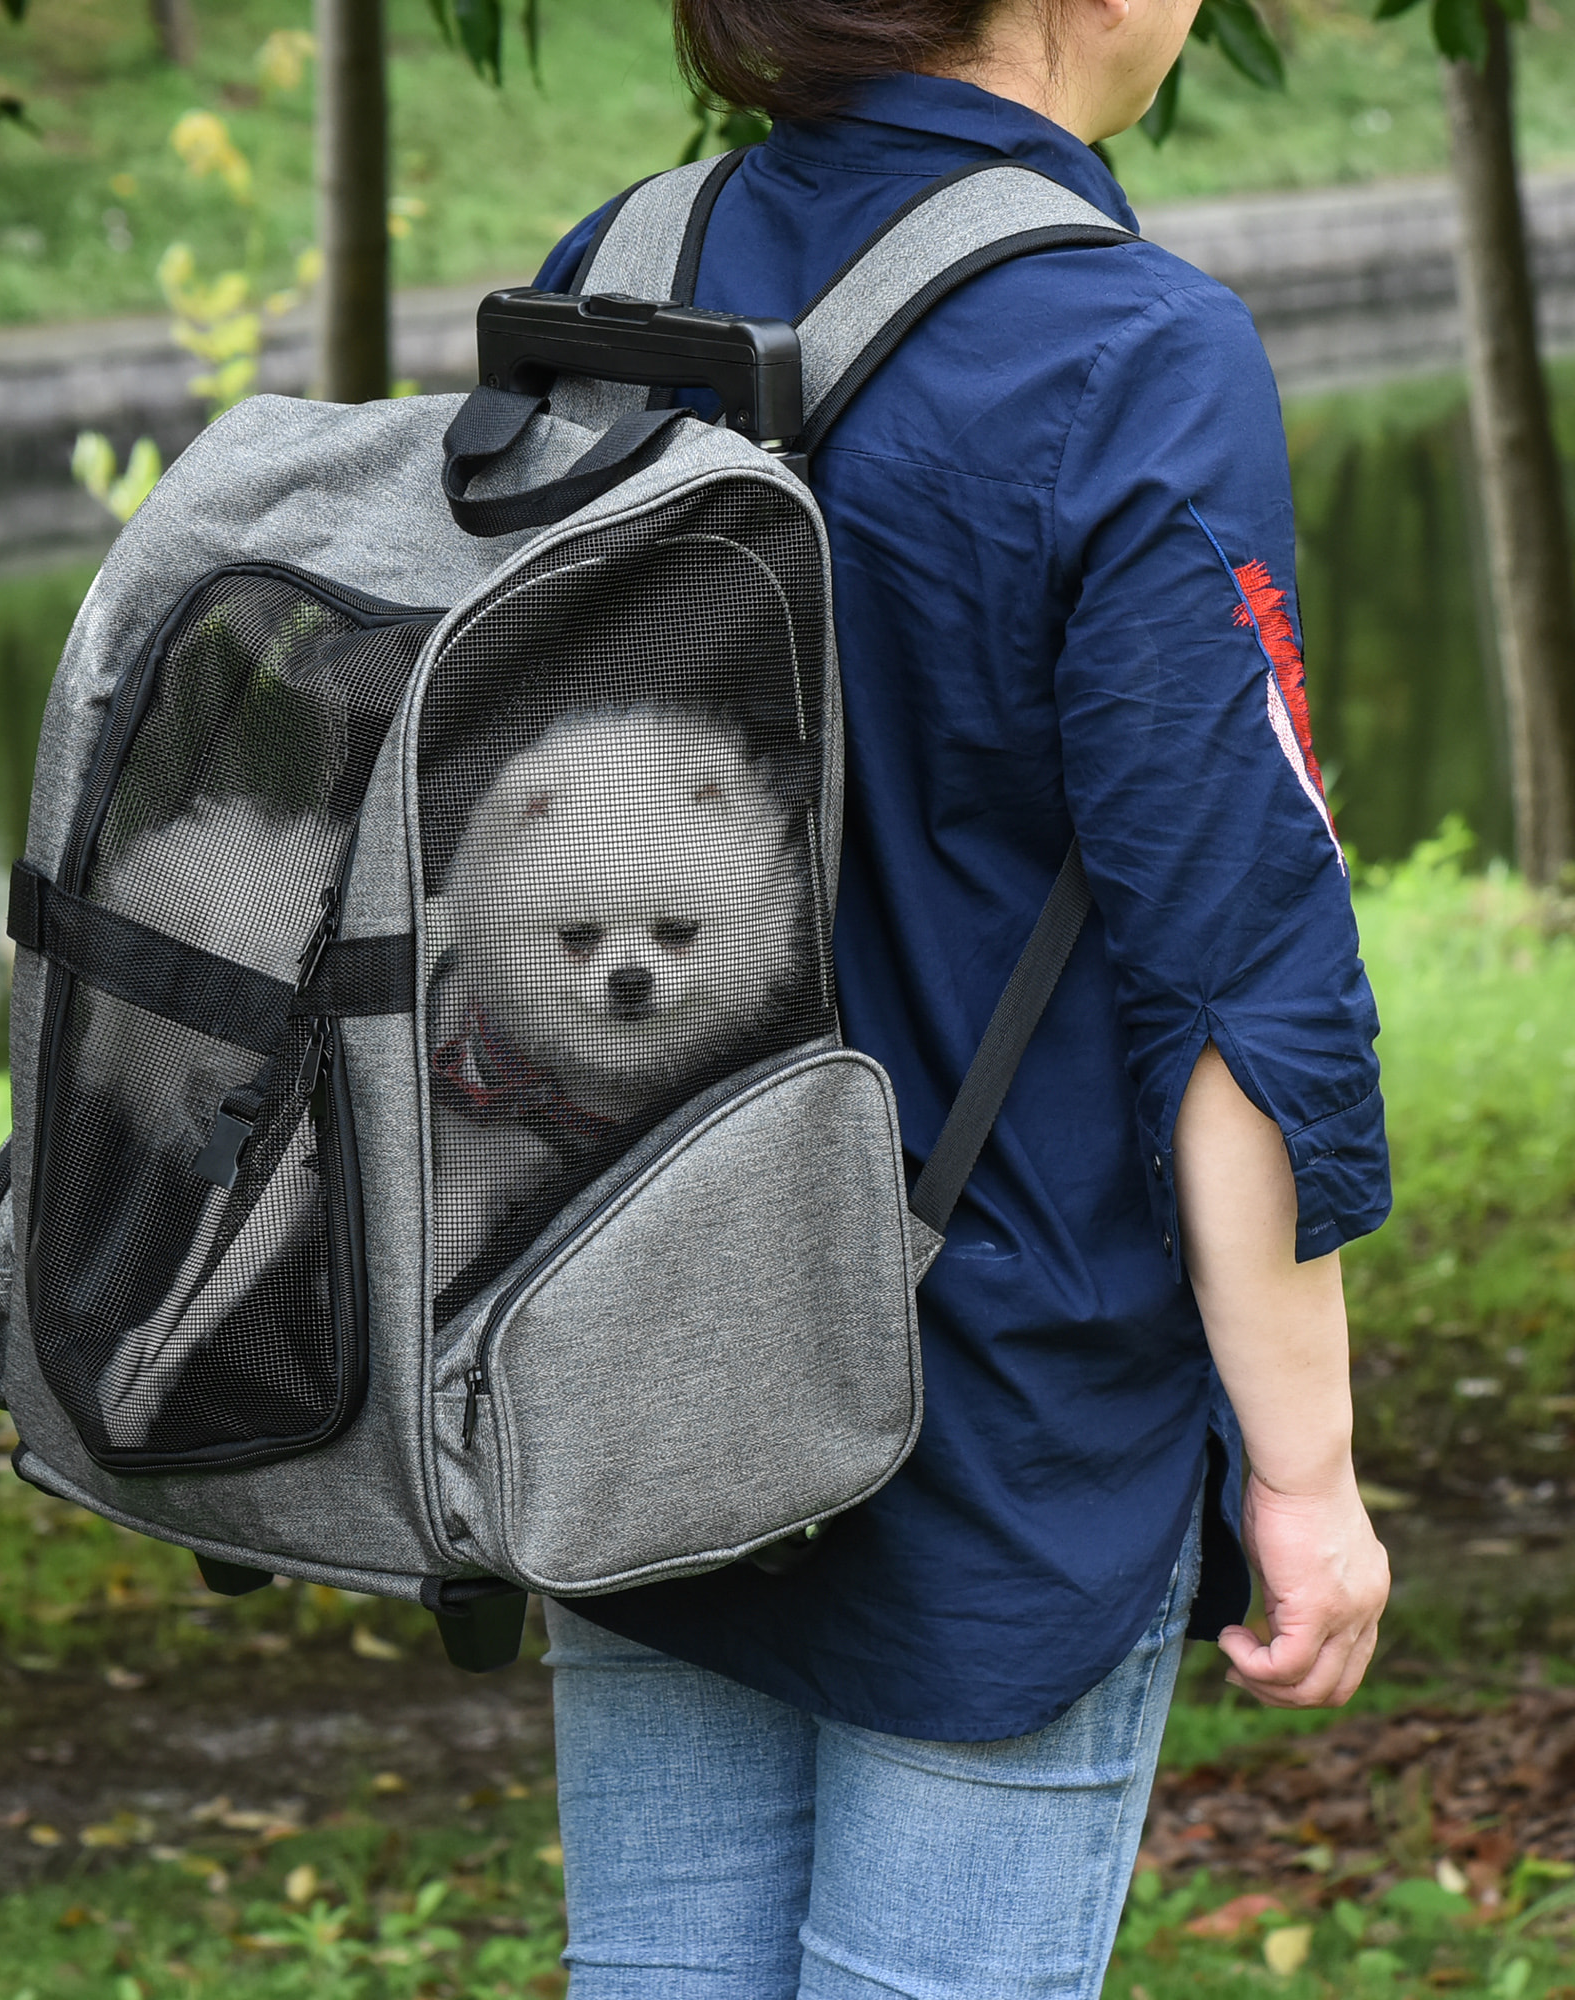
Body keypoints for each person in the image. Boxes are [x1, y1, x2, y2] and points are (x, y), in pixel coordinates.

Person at [529, 0, 1396, 1990]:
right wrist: (1306, 1476)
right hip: (999, 1411)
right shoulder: (1132, 355)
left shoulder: (620, 264)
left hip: (629, 1344)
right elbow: (1239, 977)